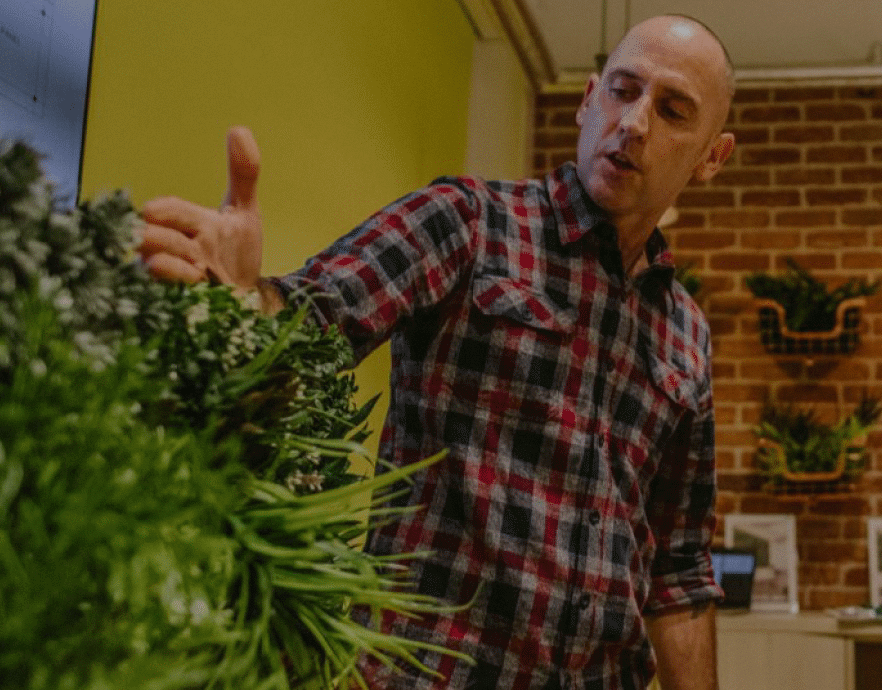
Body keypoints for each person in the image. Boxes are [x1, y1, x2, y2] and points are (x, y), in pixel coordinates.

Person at [135, 15, 737, 690]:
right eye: (623, 91)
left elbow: (679, 570)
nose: (634, 123)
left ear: (712, 156)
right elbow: (315, 323)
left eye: (673, 109)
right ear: (588, 98)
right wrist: (247, 298)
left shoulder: (685, 332)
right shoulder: (469, 222)